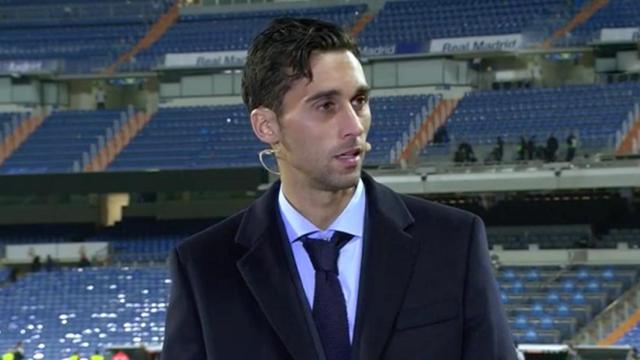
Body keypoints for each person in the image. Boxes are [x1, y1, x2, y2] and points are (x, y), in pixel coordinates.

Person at [162, 18, 515, 360]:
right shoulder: (203, 267)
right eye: (326, 105)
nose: (353, 126)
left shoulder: (453, 242)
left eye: (359, 101)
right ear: (267, 125)